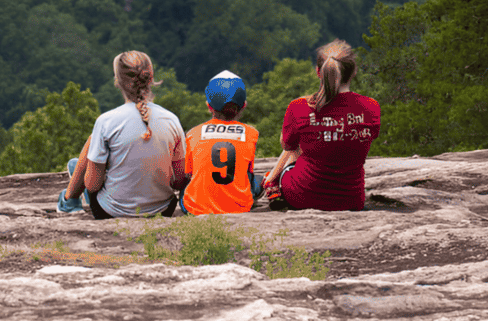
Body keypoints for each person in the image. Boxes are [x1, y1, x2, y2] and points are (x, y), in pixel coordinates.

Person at [57, 51, 185, 219]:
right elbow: (179, 181)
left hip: (112, 212)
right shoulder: (172, 120)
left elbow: (93, 185)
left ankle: (69, 202)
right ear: (151, 78)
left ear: (117, 81)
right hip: (163, 210)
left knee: (91, 145)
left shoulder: (106, 121)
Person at [263, 39, 379, 212]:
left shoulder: (299, 107)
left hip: (301, 196)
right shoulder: (371, 106)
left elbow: (287, 145)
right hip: (351, 200)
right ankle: (272, 178)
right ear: (353, 72)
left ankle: (270, 181)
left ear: (319, 72)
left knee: (297, 145)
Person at [180, 69, 264, 215]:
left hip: (196, 209)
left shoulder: (193, 133)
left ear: (209, 106)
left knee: (187, 183)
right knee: (256, 179)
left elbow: (189, 174)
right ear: (243, 106)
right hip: (239, 208)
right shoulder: (251, 134)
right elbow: (246, 172)